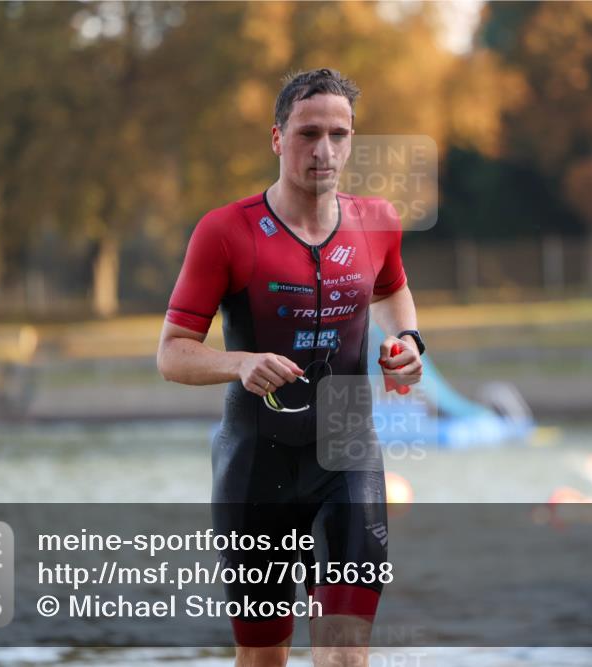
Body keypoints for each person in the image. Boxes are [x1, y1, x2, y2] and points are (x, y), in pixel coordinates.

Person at [157, 68, 424, 667]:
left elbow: (391, 290)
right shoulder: (226, 231)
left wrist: (407, 341)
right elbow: (171, 353)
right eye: (308, 133)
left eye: (338, 134)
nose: (324, 150)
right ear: (277, 138)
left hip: (348, 459)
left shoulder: (377, 220)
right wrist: (240, 362)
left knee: (345, 653)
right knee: (263, 660)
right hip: (256, 467)